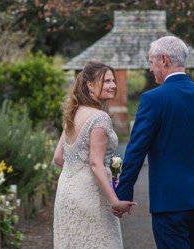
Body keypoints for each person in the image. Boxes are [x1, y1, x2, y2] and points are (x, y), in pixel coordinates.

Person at [114, 36, 194, 249]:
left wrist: (123, 192)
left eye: (151, 62)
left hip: (169, 201)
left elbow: (136, 150)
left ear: (164, 60)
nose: (150, 69)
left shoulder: (152, 100)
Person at [52, 61, 135, 248]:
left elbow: (58, 157)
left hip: (66, 193)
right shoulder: (99, 117)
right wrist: (115, 201)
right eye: (106, 81)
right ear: (90, 85)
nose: (113, 85)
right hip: (90, 196)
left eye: (113, 81)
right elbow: (96, 164)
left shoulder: (73, 113)